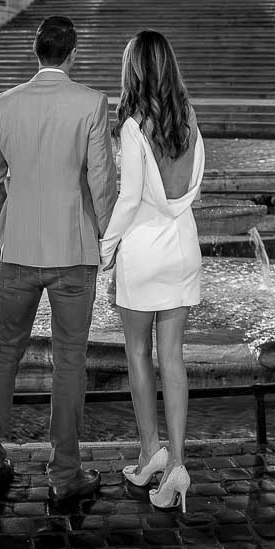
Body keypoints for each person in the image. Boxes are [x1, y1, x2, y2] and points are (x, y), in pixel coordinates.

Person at [0, 15, 117, 502]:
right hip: (73, 251)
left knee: (4, 353)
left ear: (36, 53)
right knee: (68, 363)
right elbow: (101, 182)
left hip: (17, 251)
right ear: (73, 53)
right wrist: (109, 238)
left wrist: (0, 225)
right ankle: (64, 475)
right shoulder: (92, 103)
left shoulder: (3, 104)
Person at [99, 30, 205, 513]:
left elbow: (128, 198)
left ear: (134, 69)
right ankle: (177, 463)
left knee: (138, 354)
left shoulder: (132, 126)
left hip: (143, 249)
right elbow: (193, 190)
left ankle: (149, 453)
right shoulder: (190, 119)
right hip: (183, 244)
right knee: (174, 358)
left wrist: (106, 248)